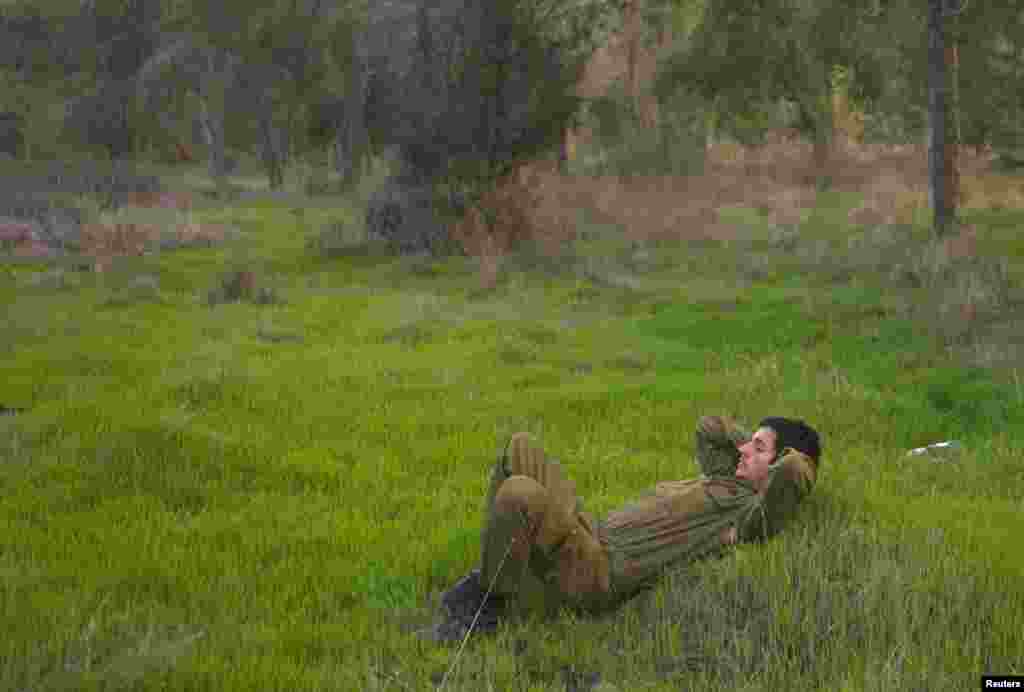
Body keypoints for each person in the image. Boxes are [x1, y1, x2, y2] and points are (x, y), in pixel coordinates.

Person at [421, 415, 821, 644]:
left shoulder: (749, 514)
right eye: (748, 443)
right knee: (520, 447)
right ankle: (497, 569)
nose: (745, 450)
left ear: (777, 462)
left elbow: (795, 474)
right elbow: (708, 428)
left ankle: (491, 602)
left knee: (518, 493)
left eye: (759, 448)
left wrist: (782, 459)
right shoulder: (727, 479)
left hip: (597, 571)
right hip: (589, 532)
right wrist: (751, 441)